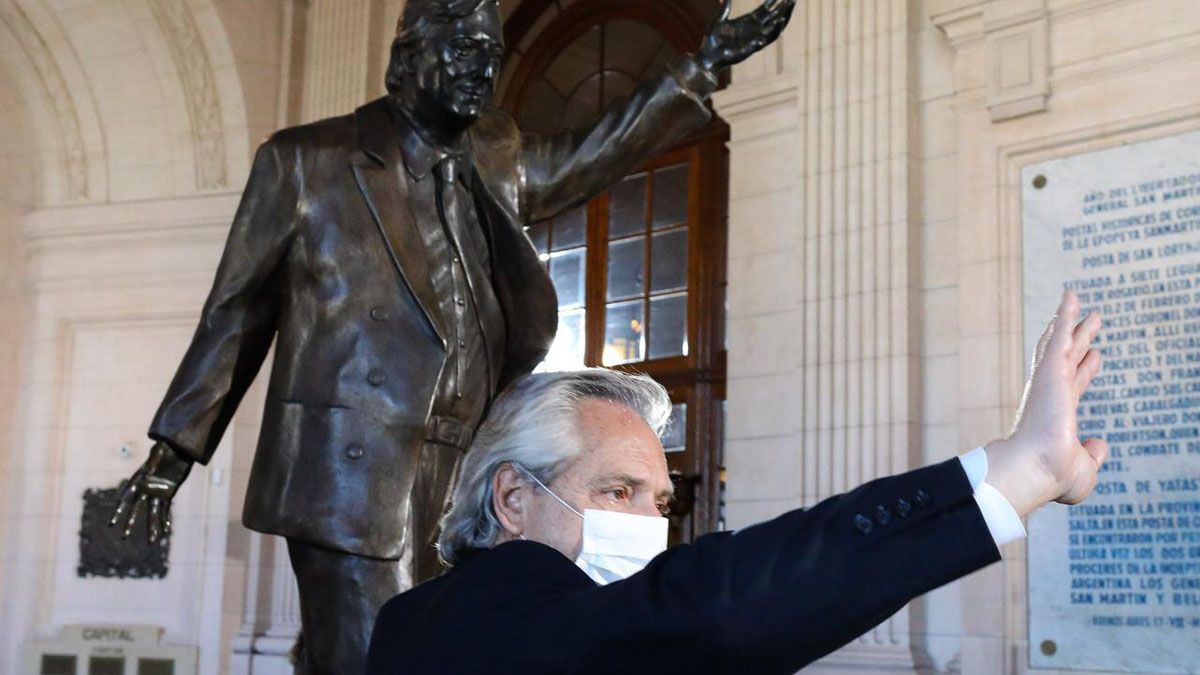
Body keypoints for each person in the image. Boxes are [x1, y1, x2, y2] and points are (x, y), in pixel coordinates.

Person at [107, 0, 797, 671]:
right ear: (407, 58)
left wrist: (699, 67)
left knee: (444, 639)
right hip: (349, 468)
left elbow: (592, 154)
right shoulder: (307, 161)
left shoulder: (494, 155)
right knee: (378, 652)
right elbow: (235, 314)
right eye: (463, 51)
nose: (481, 71)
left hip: (466, 462)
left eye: (492, 57)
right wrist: (171, 456)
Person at [366, 290, 1108, 674]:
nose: (648, 524)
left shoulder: (411, 622)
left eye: (660, 502)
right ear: (513, 498)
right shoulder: (476, 616)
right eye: (614, 492)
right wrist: (1023, 471)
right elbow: (710, 609)